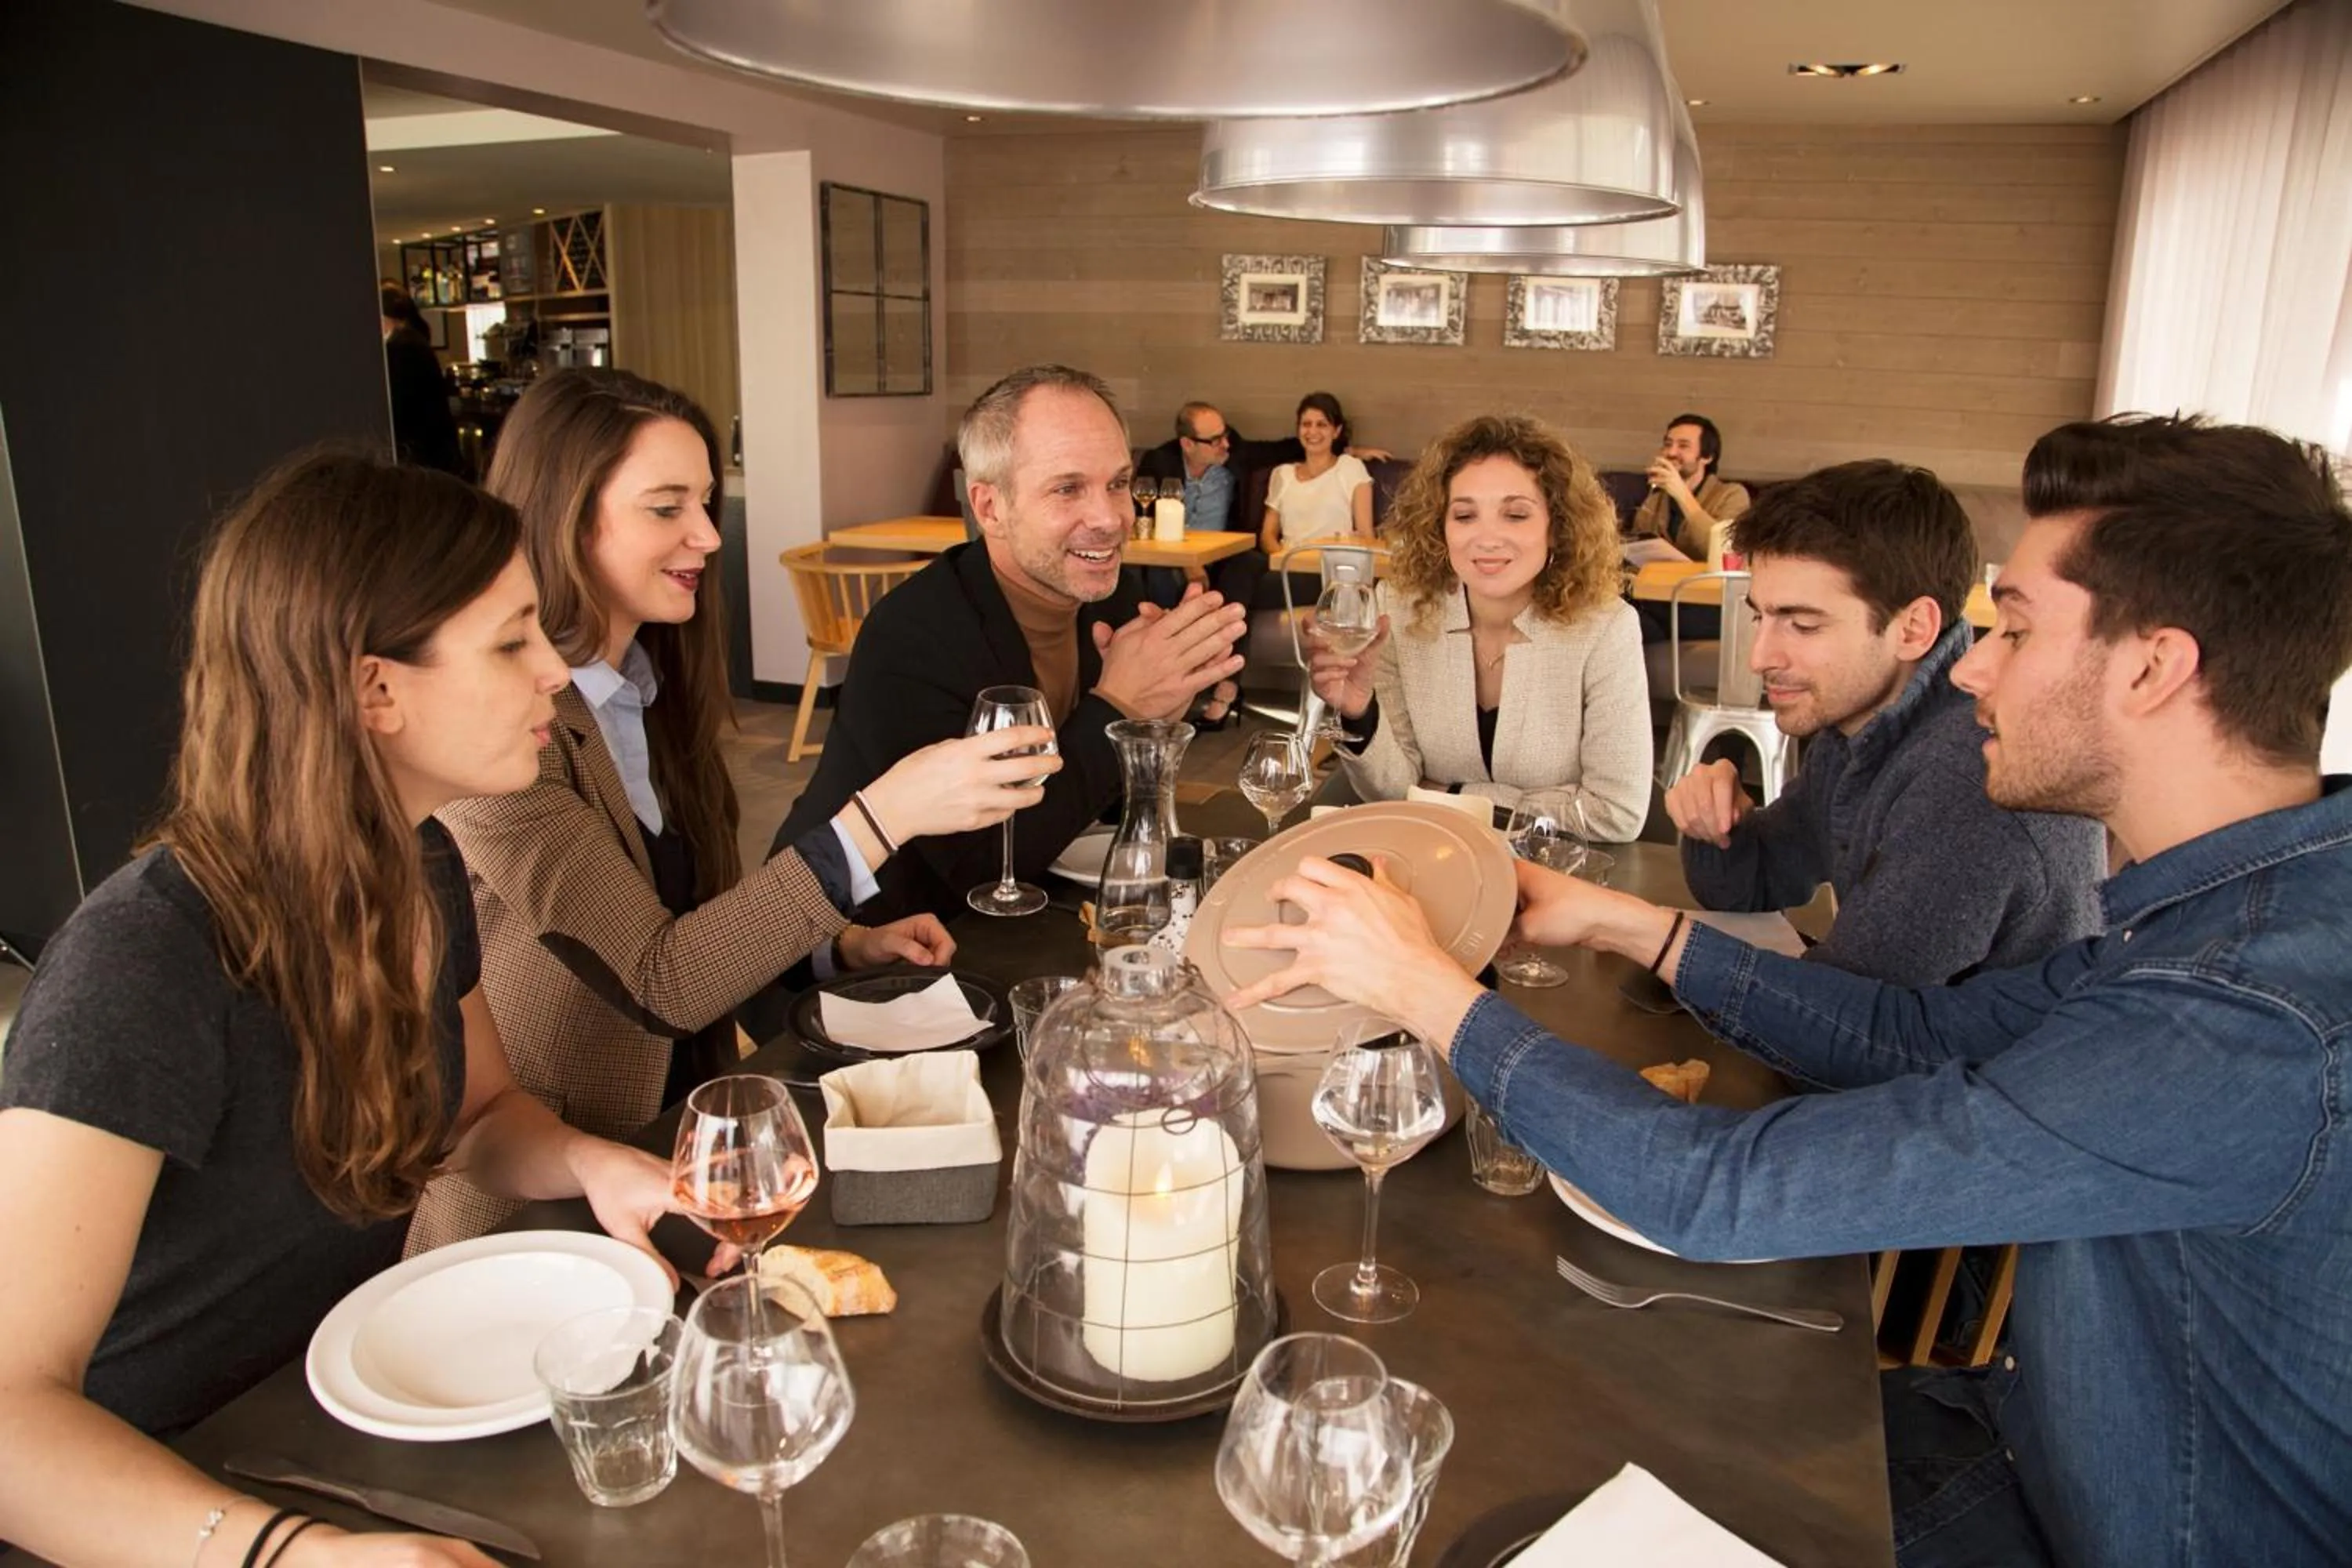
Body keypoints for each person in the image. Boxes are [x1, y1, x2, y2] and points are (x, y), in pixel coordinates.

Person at [1220, 413, 2352, 1567]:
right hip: (2022, 1430)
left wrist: (1424, 989)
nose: (1970, 667)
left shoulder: (2244, 1022)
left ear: (2156, 668)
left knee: (1467, 1469)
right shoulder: (2226, 921)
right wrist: (1627, 920)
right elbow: (1919, 1036)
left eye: (2011, 629)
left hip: (2081, 1523)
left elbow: (1717, 1192)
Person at [0, 451, 721, 1565]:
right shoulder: (143, 965)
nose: (554, 675)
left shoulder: (420, 863)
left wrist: (590, 1163)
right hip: (152, 1508)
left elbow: (478, 1116)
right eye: (512, 641)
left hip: (324, 1440)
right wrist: (291, 1556)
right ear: (375, 690)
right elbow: (10, 1420)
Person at [409, 369, 1057, 1250]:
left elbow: (698, 938)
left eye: (706, 503)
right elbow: (659, 978)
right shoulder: (497, 745)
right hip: (542, 1222)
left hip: (679, 1160)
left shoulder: (650, 693)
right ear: (566, 514)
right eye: (666, 506)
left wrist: (835, 946)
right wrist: (882, 815)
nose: (708, 536)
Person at [767, 364, 1247, 923]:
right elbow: (981, 864)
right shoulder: (914, 635)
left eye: (1117, 483)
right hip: (868, 943)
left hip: (1033, 918)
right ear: (989, 507)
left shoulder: (1109, 600)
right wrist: (1118, 706)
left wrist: (1159, 719)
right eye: (1068, 489)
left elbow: (1103, 807)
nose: (1111, 518)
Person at [1664, 459, 2104, 984]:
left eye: (1803, 625)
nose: (1759, 657)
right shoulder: (1859, 725)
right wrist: (1715, 825)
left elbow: (1843, 1022)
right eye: (1761, 616)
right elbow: (1758, 883)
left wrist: (1644, 936)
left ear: (1913, 629)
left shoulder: (1967, 776)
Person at [1308, 413, 1653, 836]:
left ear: (1557, 527)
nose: (1486, 538)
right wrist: (1359, 713)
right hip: (1433, 864)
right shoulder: (1395, 610)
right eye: (1465, 516)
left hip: (1556, 876)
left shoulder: (1607, 629)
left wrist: (1452, 795)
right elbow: (1394, 792)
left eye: (1516, 515)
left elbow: (1616, 813)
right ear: (1440, 527)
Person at [1261, 390, 1375, 555]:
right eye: (1306, 424)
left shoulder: (1351, 468)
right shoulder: (1282, 474)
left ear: (1336, 431)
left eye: (1322, 425)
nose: (1312, 432)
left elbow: (1366, 536)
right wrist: (1282, 560)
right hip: (1287, 565)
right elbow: (1267, 536)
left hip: (1330, 567)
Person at [1632, 412, 1749, 561]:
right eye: (1668, 445)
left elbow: (1726, 552)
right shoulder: (1654, 501)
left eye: (1683, 446)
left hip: (1707, 584)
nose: (1671, 452)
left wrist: (1682, 495)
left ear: (1707, 457)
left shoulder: (1732, 495)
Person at [380, 283, 463, 476]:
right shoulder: (415, 341)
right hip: (433, 447)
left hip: (420, 450)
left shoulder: (400, 348)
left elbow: (401, 406)